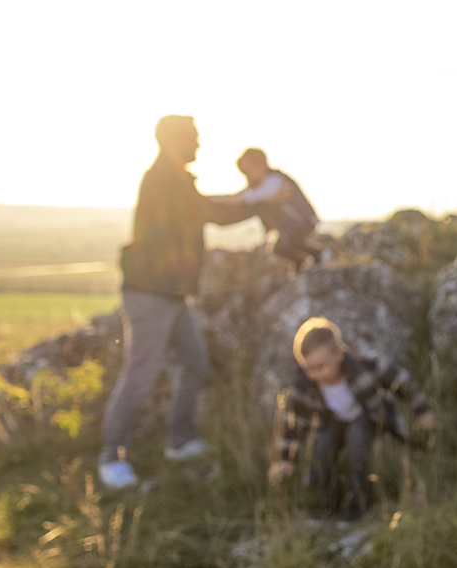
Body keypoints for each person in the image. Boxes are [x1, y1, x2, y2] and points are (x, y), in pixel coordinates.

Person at [97, 115, 256, 491]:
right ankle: (111, 458)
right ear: (173, 141)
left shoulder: (174, 180)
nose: (199, 145)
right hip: (150, 294)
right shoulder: (165, 180)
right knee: (140, 375)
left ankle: (180, 441)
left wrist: (251, 201)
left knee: (195, 364)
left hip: (168, 293)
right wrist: (259, 200)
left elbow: (205, 206)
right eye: (194, 138)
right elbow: (211, 212)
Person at [269, 317, 435, 518]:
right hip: (333, 422)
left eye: (322, 367)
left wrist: (422, 410)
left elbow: (401, 380)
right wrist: (285, 459)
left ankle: (360, 506)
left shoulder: (363, 368)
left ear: (339, 353)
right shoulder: (305, 385)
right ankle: (330, 504)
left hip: (367, 418)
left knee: (357, 439)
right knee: (321, 445)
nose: (316, 374)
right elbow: (291, 421)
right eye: (309, 369)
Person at [231, 147, 325, 271]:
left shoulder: (274, 180)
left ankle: (319, 254)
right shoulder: (262, 183)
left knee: (292, 241)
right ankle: (300, 263)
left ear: (261, 164)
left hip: (304, 221)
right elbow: (247, 195)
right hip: (294, 224)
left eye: (248, 171)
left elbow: (251, 197)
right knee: (278, 249)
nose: (246, 176)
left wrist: (228, 200)